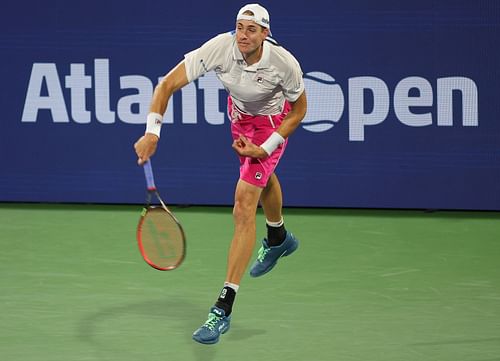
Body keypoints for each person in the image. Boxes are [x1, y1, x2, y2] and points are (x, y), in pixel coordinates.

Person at [134, 3, 307, 345]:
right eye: (240, 27)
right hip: (240, 120)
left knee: (244, 205)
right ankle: (278, 237)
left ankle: (222, 309)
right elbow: (167, 84)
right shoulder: (220, 47)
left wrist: (267, 147)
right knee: (258, 181)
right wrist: (152, 132)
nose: (244, 35)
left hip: (272, 124)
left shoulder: (284, 63)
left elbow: (299, 111)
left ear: (265, 34)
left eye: (252, 30)